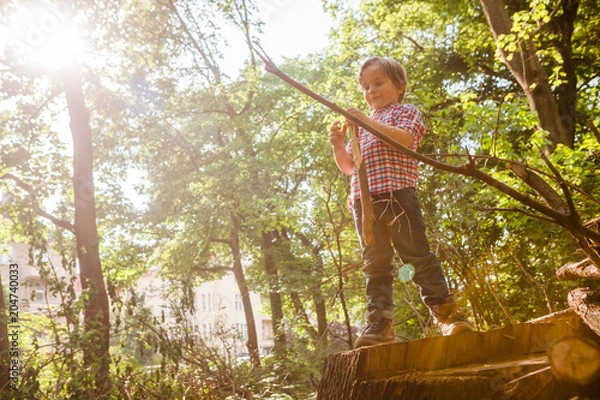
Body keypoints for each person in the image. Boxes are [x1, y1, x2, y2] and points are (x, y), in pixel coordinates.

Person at [329, 57, 472, 348]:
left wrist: (366, 122)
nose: (371, 91)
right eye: (366, 86)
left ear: (400, 87)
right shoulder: (359, 128)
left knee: (417, 256)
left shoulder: (404, 112)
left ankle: (449, 316)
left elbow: (405, 140)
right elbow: (349, 167)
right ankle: (380, 324)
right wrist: (337, 145)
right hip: (365, 204)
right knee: (375, 264)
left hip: (398, 196)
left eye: (378, 83)